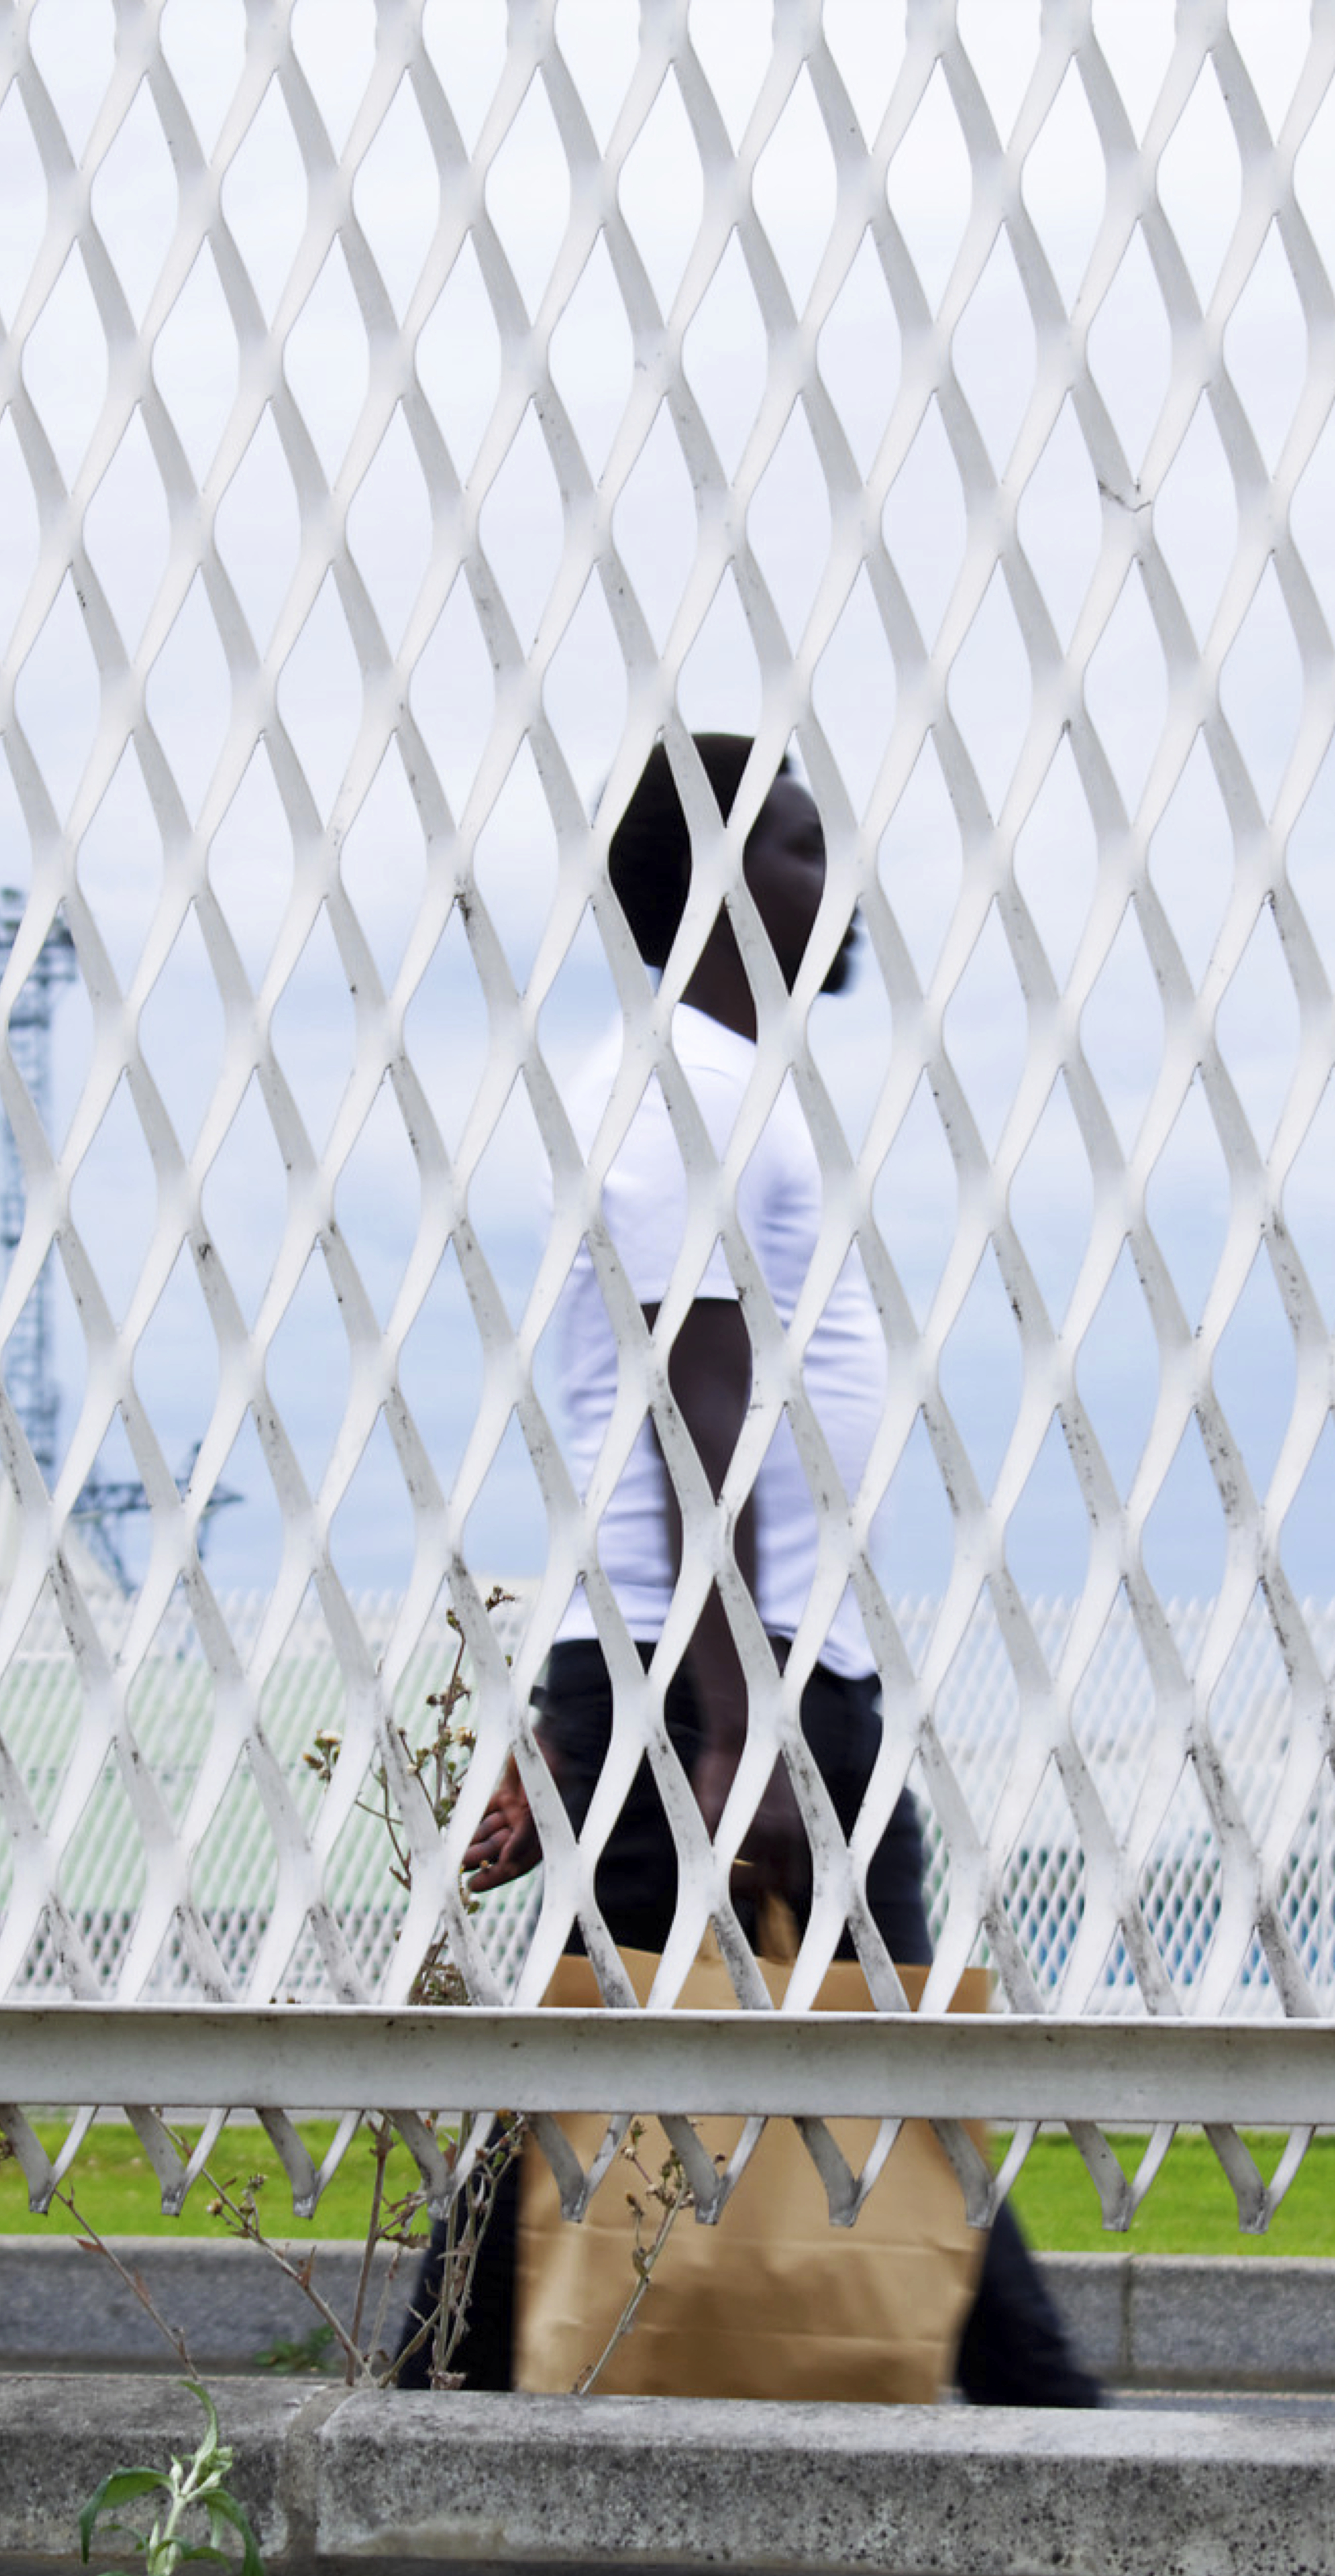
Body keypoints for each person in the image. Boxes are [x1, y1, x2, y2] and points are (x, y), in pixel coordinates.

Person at [405, 731, 1100, 2406]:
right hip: (727, 1675)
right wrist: (744, 1725)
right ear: (718, 883)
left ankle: (409, 2425)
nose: (829, 875)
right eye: (797, 844)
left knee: (660, 2057)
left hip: (685, 1669)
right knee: (830, 2050)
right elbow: (688, 1405)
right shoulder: (690, 1101)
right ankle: (1051, 2428)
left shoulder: (714, 1093)